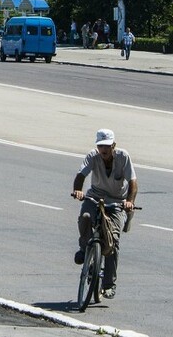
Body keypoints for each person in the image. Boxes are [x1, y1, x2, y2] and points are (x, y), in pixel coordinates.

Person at [71, 128, 138, 300]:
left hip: (116, 202)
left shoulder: (123, 157)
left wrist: (129, 201)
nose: (104, 150)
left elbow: (132, 182)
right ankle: (84, 248)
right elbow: (81, 175)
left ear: (113, 145)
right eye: (101, 146)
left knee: (112, 242)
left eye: (107, 146)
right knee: (85, 217)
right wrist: (77, 190)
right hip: (95, 197)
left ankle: (108, 285)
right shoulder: (92, 156)